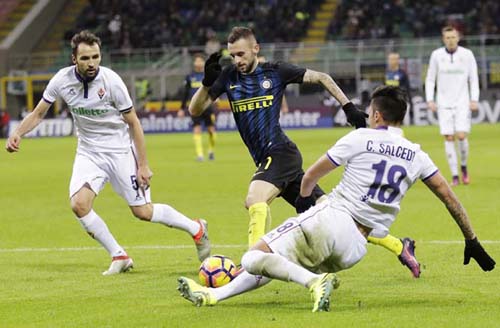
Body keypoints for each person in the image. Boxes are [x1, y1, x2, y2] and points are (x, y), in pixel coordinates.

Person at [177, 85, 495, 312]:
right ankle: (212, 297)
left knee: (251, 257)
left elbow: (312, 175)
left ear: (376, 115)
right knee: (271, 264)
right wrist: (472, 239)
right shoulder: (417, 156)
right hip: (355, 250)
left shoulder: (360, 137)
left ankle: (315, 283)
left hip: (332, 221)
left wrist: (304, 202)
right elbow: (450, 199)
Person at [189, 26, 419, 277]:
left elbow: (322, 77)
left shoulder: (275, 72)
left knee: (255, 200)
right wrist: (206, 84)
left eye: (242, 54)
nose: (237, 60)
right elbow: (195, 110)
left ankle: (250, 264)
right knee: (329, 213)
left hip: (279, 152)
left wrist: (348, 106)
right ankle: (400, 246)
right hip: (272, 159)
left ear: (256, 49)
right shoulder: (229, 77)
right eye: (233, 55)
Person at [5, 30, 210, 275]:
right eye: (85, 58)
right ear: (74, 59)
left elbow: (134, 123)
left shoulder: (111, 81)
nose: (92, 63)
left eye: (95, 57)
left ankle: (196, 228)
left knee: (142, 212)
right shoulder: (61, 80)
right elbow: (39, 113)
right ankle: (119, 255)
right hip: (89, 152)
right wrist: (18, 132)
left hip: (120, 151)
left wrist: (143, 165)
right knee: (79, 205)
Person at [425, 26, 479, 186]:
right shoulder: (436, 55)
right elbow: (430, 78)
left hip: (462, 101)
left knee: (461, 136)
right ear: (443, 39)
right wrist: (430, 99)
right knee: (448, 137)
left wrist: (474, 99)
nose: (450, 40)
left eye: (453, 37)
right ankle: (455, 175)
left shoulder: (467, 55)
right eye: (447, 38)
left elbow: (473, 78)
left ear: (458, 37)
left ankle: (463, 167)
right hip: (443, 103)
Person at [179, 53, 217, 161]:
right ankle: (200, 155)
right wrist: (182, 109)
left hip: (207, 106)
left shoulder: (208, 76)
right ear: (194, 63)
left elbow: (215, 89)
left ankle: (211, 150)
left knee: (211, 130)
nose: (198, 63)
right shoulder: (190, 76)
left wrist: (215, 98)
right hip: (194, 107)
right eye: (197, 61)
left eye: (201, 61)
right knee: (197, 129)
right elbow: (185, 93)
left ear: (204, 63)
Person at [385, 52, 413, 123]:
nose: (390, 61)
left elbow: (407, 89)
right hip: (390, 103)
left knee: (405, 123)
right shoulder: (387, 74)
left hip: (401, 102)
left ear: (397, 61)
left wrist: (408, 101)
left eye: (392, 59)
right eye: (389, 59)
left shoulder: (402, 74)